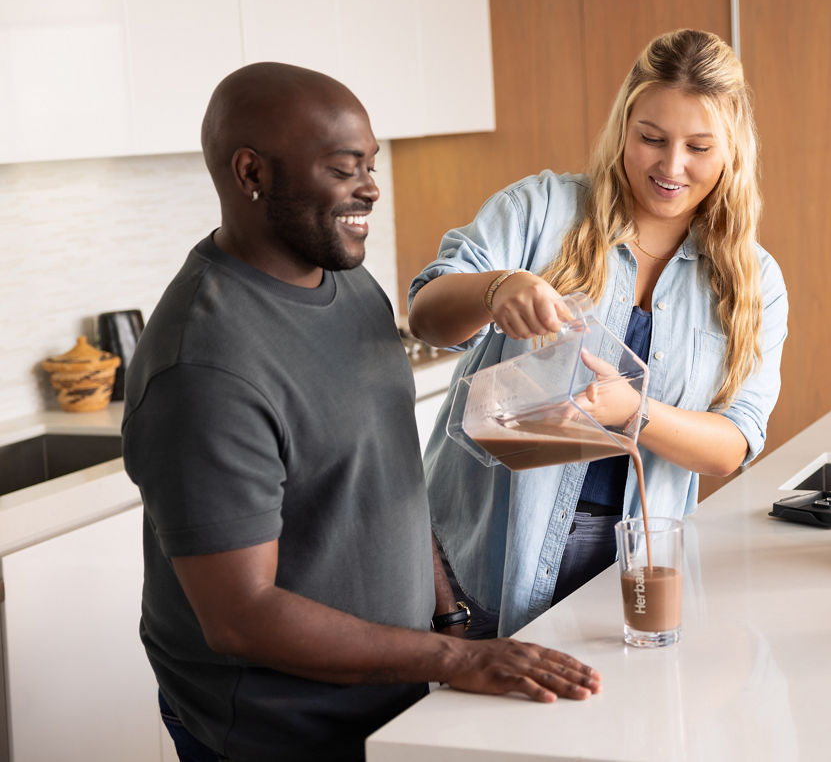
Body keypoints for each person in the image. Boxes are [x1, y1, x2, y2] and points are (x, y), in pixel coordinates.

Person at [122, 62, 600, 762]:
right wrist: (457, 659)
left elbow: (389, 471)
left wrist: (451, 618)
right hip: (275, 730)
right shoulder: (204, 365)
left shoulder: (347, 283)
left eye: (371, 165)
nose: (372, 189)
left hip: (393, 695)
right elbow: (241, 618)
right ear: (252, 172)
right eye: (346, 169)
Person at [407, 29, 789, 639]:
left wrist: (635, 411)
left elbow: (732, 444)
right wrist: (495, 288)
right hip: (475, 557)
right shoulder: (540, 211)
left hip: (629, 575)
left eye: (698, 146)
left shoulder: (751, 279)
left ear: (732, 150)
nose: (671, 167)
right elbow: (426, 313)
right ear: (623, 127)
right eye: (651, 139)